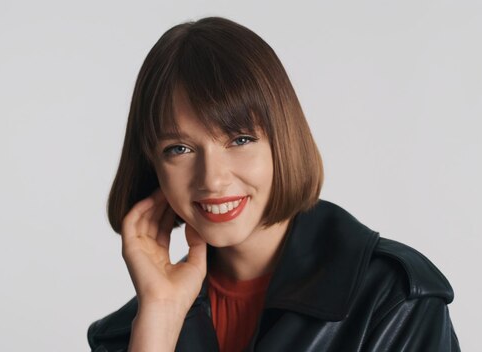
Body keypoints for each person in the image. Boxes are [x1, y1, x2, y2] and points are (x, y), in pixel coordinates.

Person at [87, 16, 460, 352]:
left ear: (283, 138)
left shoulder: (394, 300)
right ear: (153, 165)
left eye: (240, 140)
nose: (212, 179)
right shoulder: (132, 332)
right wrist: (162, 318)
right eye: (179, 148)